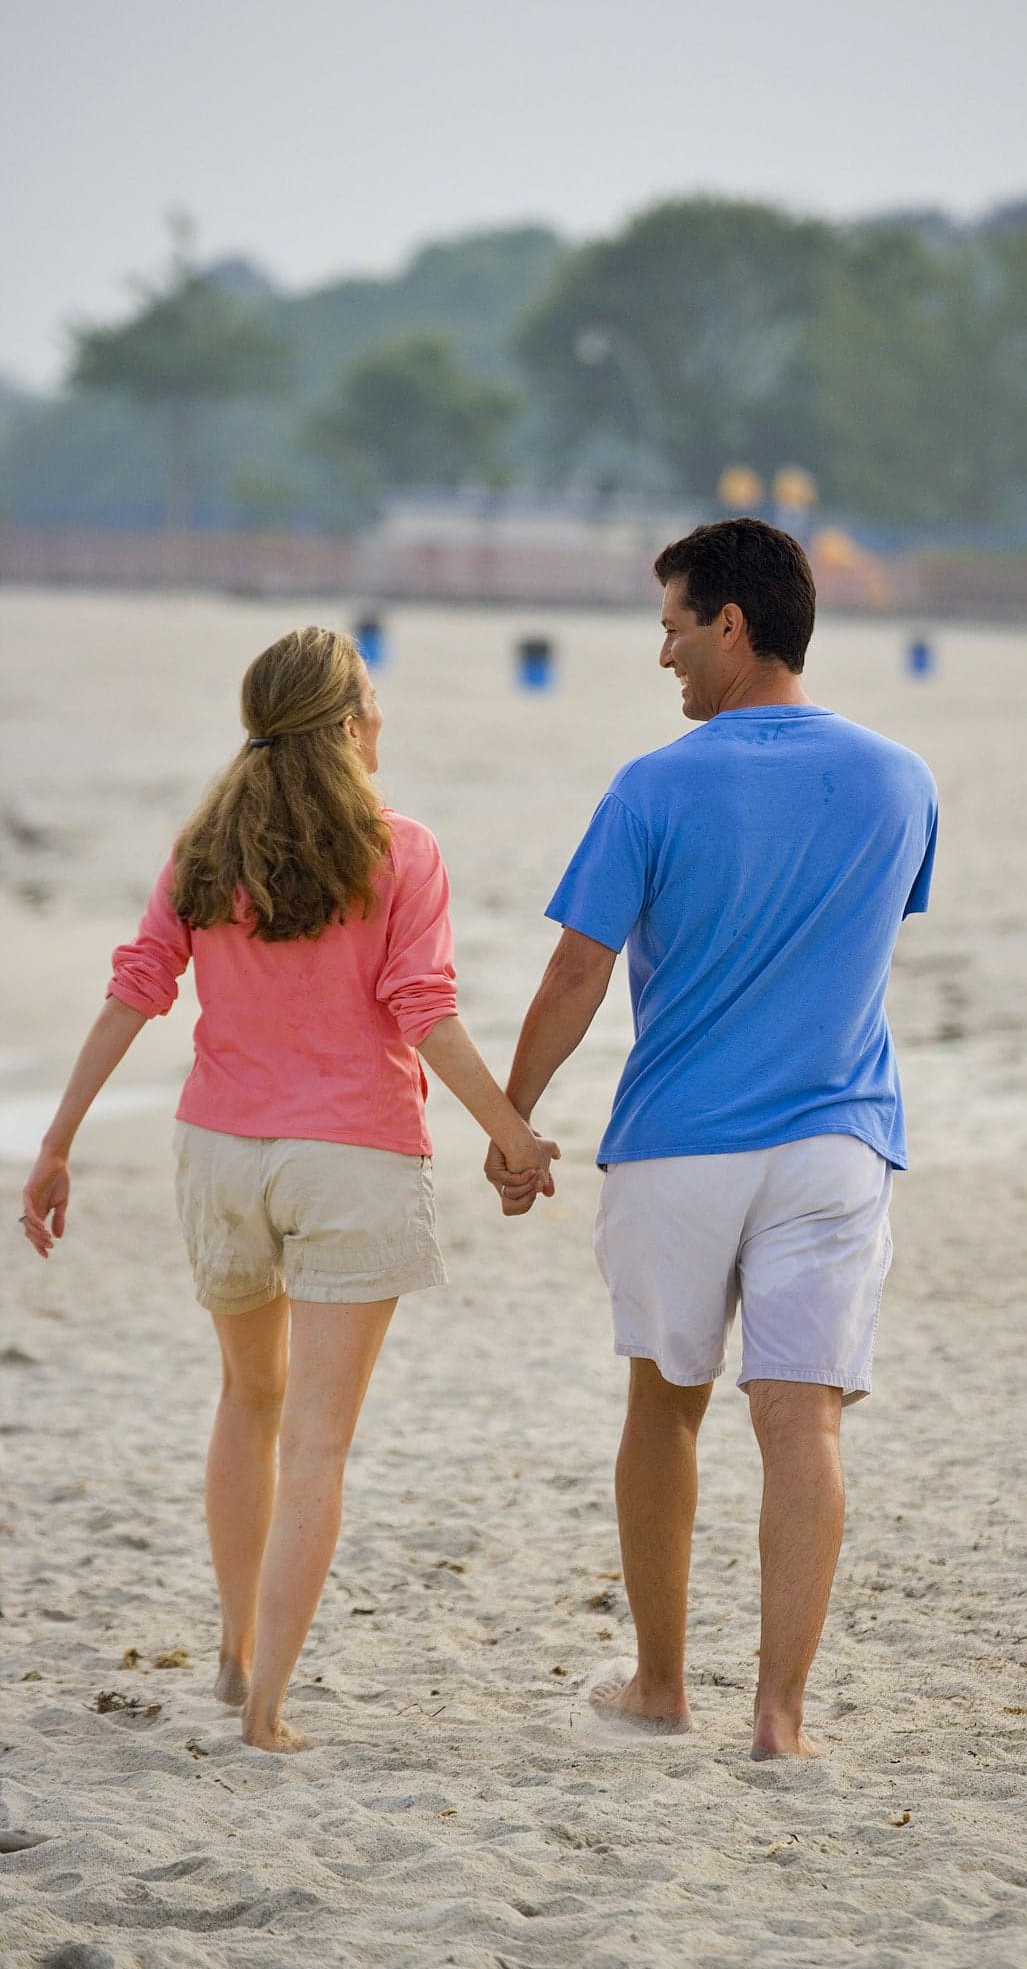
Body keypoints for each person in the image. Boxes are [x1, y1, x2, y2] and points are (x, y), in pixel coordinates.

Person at [19, 626, 558, 1752]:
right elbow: (423, 1003)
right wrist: (508, 1131)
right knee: (316, 1440)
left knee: (245, 1398)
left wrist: (56, 1139)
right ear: (355, 719)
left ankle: (234, 1649)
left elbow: (136, 988)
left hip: (219, 1151)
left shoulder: (206, 846)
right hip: (351, 1158)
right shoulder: (399, 845)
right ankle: (267, 1710)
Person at [487, 518, 937, 1758]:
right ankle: (780, 1720)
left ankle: (660, 1684)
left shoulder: (653, 783)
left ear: (732, 625)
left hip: (682, 1142)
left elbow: (577, 972)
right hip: (837, 1142)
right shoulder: (904, 778)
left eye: (676, 625)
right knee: (807, 1424)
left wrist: (515, 1118)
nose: (666, 653)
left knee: (666, 1405)